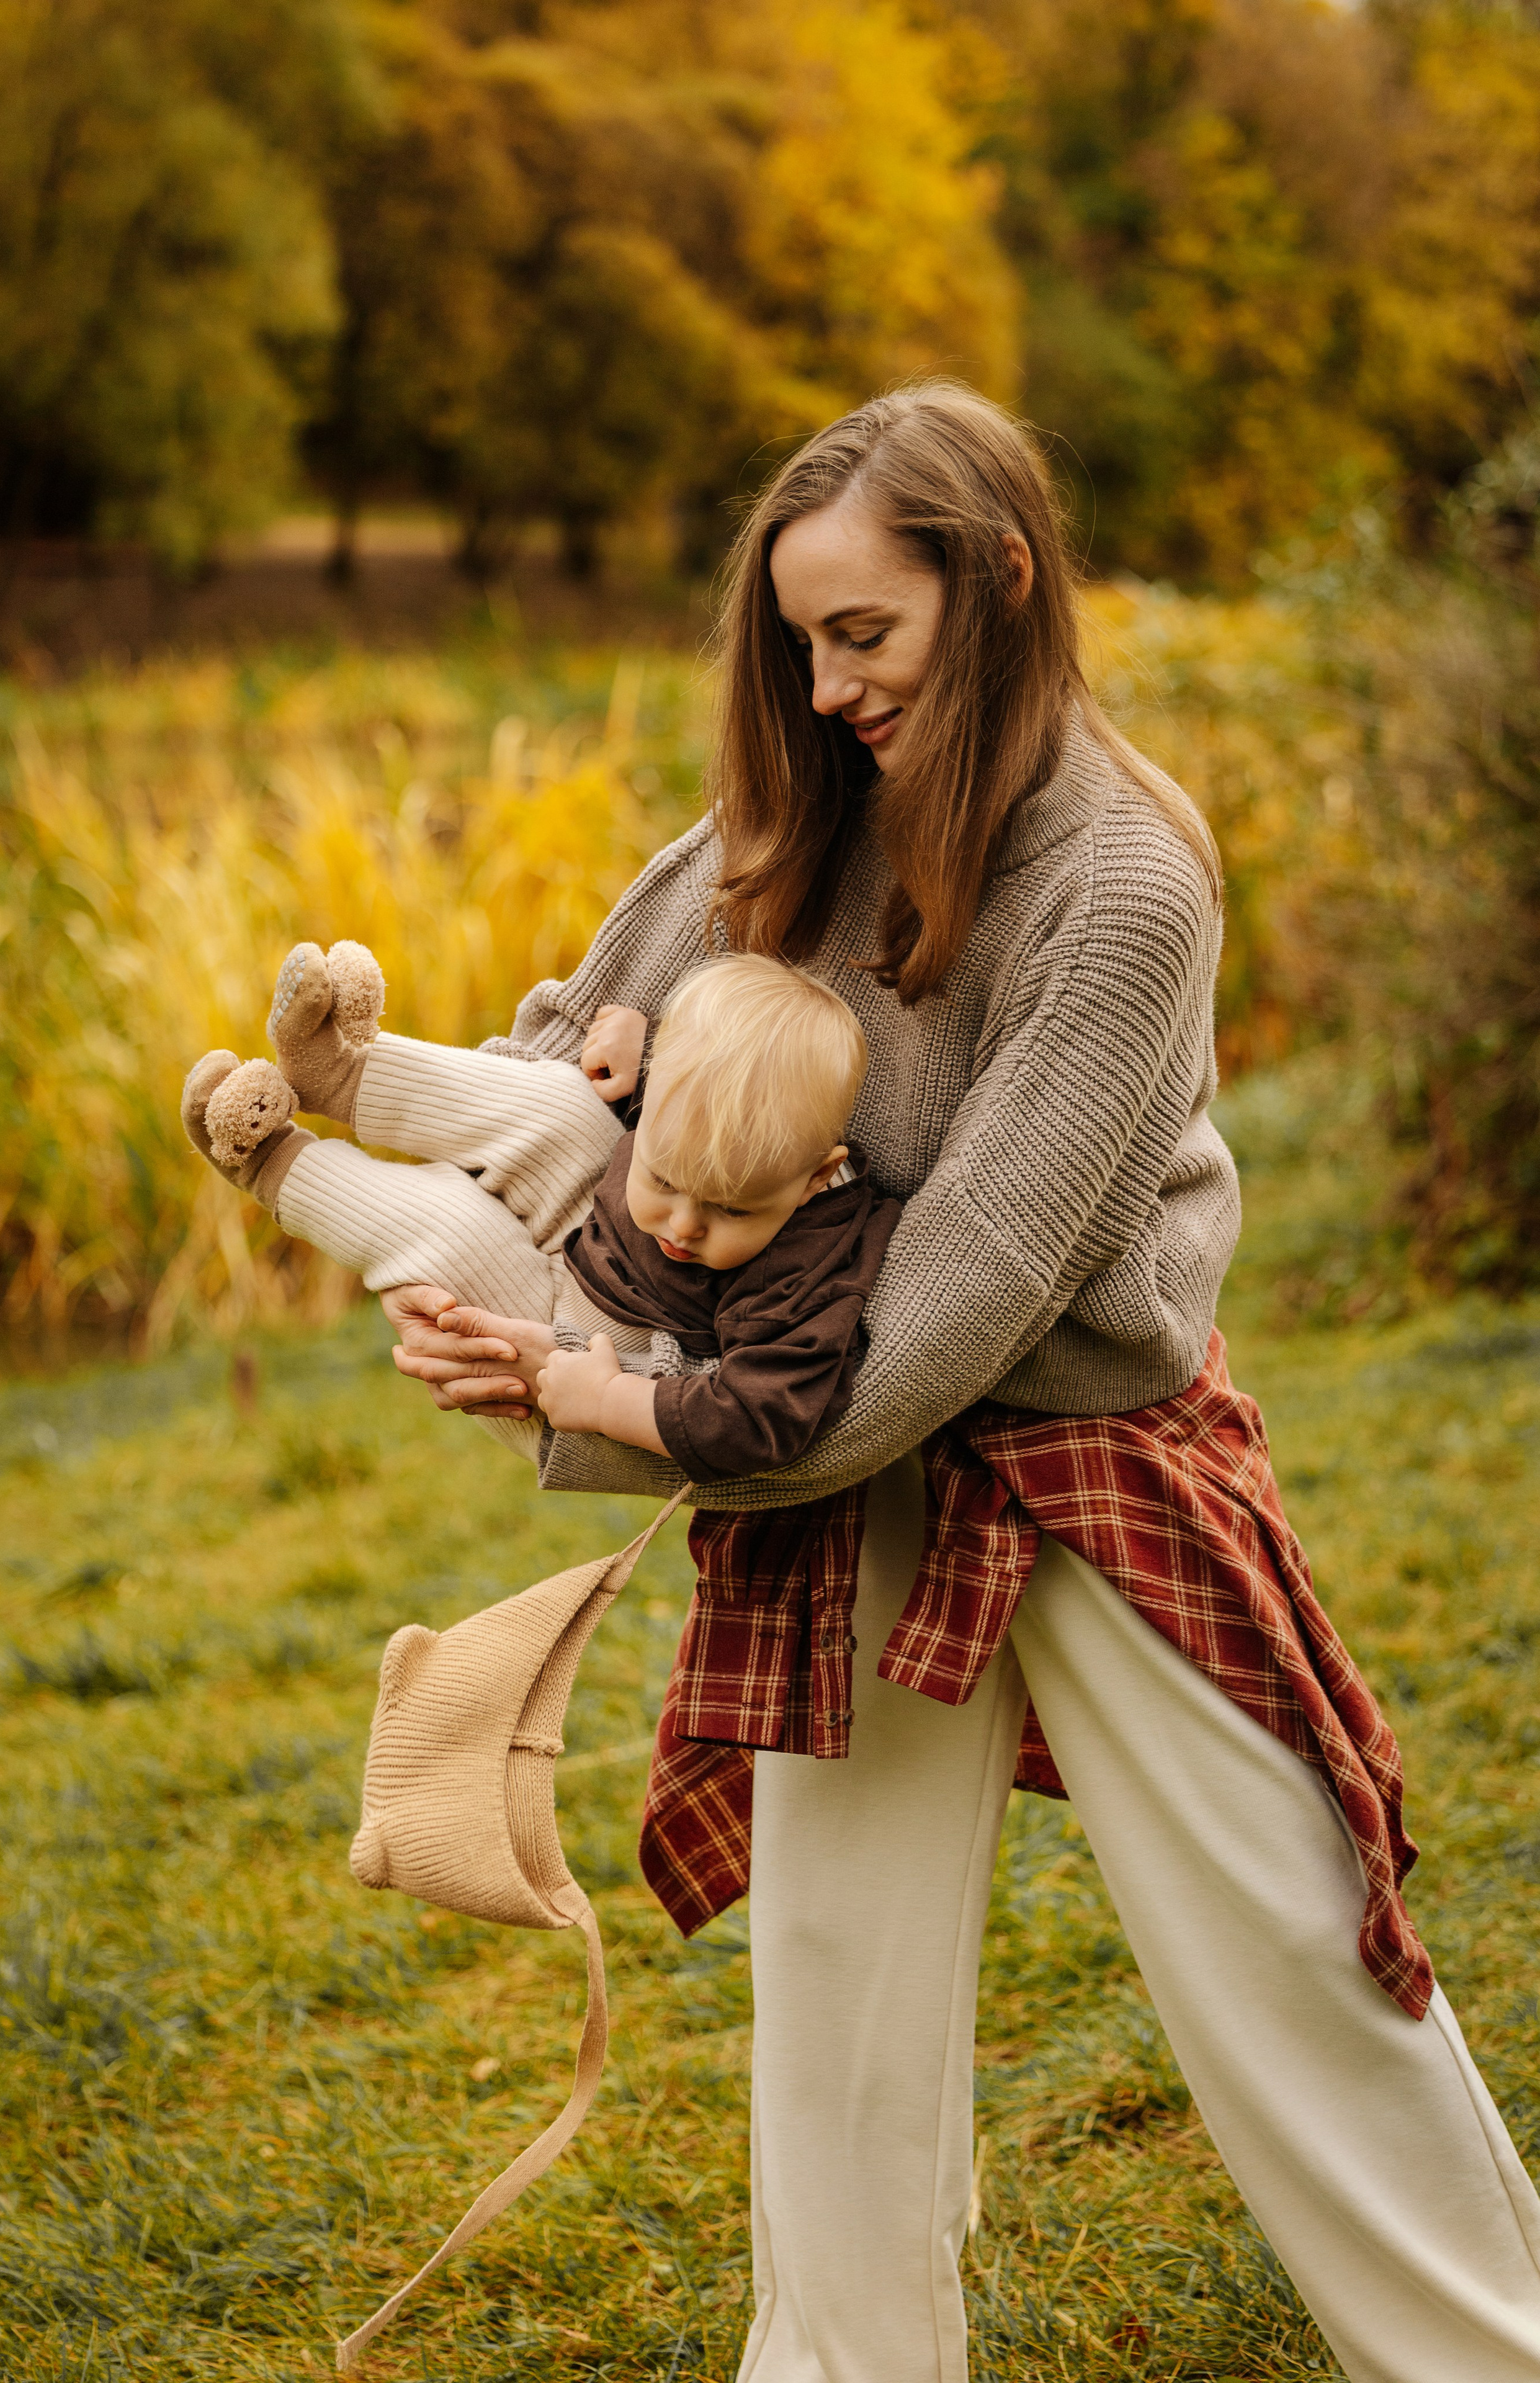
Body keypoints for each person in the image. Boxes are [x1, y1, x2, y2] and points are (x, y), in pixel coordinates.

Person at [387, 381, 1540, 2383]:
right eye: (799, 639)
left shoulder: (1125, 887)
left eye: (867, 636)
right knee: (834, 2017)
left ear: (999, 583)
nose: (826, 688)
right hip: (848, 1490)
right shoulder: (781, 832)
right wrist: (516, 1205)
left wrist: (594, 1392)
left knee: (1291, 1952)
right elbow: (565, 1035)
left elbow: (936, 1324)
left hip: (1086, 1463)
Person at [179, 951, 900, 1479]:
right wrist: (641, 1049)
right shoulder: (718, 1141)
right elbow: (698, 1095)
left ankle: (270, 1163)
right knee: (560, 1104)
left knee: (456, 1227)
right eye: (667, 1179)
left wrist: (613, 1397)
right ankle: (334, 1068)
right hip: (600, 1229)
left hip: (596, 1341)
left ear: (814, 1179)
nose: (682, 1226)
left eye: (730, 1211)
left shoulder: (817, 1268)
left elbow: (758, 1419)